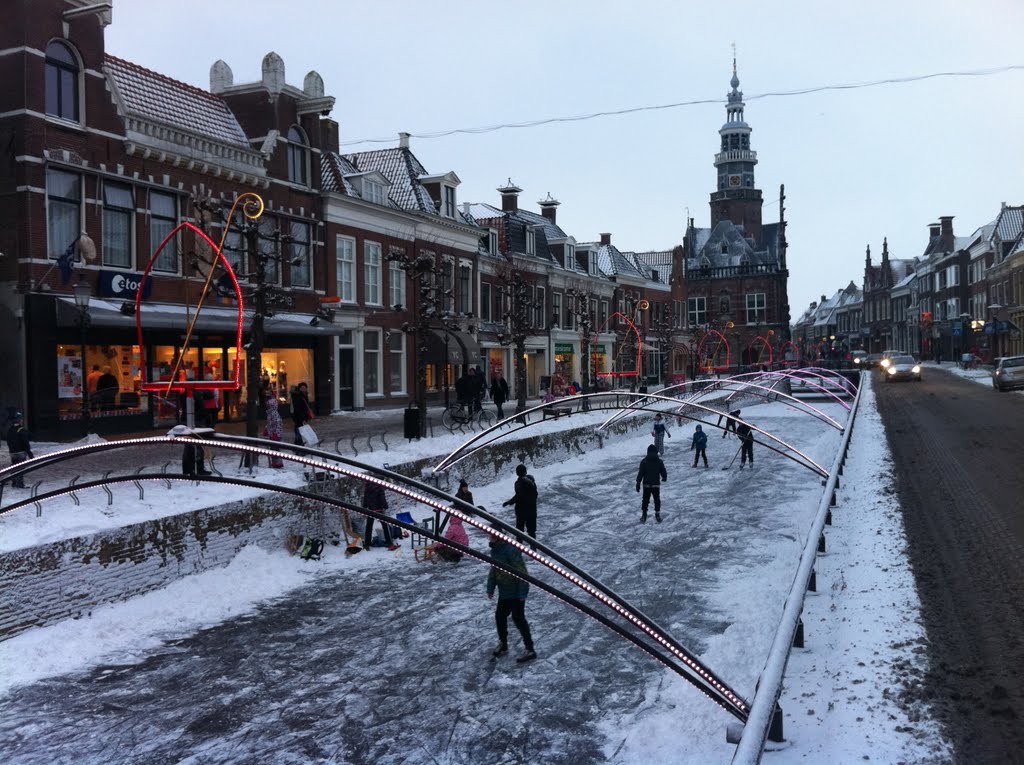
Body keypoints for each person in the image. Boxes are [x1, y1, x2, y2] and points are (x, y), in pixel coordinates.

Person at [486, 526, 537, 662]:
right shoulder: (495, 550)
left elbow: (521, 571)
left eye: (491, 535)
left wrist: (522, 593)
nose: (489, 537)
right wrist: (490, 587)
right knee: (500, 617)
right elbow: (494, 569)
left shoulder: (510, 550)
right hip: (504, 592)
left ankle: (530, 648)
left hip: (516, 592)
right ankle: (503, 644)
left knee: (518, 618)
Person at [502, 463, 538, 539]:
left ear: (517, 473)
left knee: (519, 531)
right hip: (532, 510)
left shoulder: (519, 483)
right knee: (531, 532)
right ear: (525, 472)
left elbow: (518, 496)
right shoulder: (532, 483)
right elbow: (535, 495)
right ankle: (533, 548)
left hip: (521, 511)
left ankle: (519, 548)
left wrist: (509, 502)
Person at [363, 479, 400, 551]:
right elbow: (382, 497)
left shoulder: (367, 487)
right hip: (379, 509)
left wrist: (365, 506)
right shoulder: (379, 486)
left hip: (370, 510)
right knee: (385, 526)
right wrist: (385, 506)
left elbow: (365, 497)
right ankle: (390, 544)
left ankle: (367, 544)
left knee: (369, 527)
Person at [635, 444, 667, 523]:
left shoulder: (644, 461)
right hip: (655, 484)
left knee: (645, 500)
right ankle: (657, 514)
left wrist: (638, 482)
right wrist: (664, 477)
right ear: (656, 452)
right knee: (657, 500)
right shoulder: (659, 461)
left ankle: (644, 515)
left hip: (646, 485)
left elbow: (640, 473)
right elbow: (663, 470)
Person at [4, 412, 33, 489]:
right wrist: (30, 454)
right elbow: (25, 443)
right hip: (21, 452)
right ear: (20, 420)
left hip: (12, 452)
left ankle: (14, 482)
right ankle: (20, 483)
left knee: (14, 466)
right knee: (21, 467)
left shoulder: (10, 430)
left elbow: (8, 440)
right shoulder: (21, 430)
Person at [262, 390, 285, 468]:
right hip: (273, 434)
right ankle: (276, 462)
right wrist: (266, 429)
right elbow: (270, 424)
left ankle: (277, 462)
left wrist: (275, 433)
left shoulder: (273, 414)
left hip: (275, 434)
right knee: (274, 448)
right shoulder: (270, 413)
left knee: (275, 449)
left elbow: (277, 423)